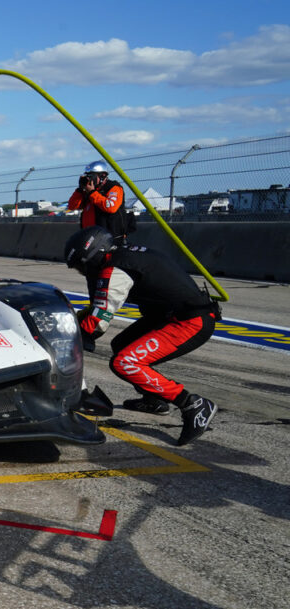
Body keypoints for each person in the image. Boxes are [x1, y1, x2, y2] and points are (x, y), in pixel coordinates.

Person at [63, 225, 220, 445]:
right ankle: (155, 399)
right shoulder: (127, 255)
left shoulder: (115, 268)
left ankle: (192, 403)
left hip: (189, 322)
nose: (82, 271)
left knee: (125, 362)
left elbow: (99, 318)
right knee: (122, 344)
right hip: (174, 315)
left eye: (81, 265)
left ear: (94, 255)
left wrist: (73, 337)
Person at [67, 160, 135, 244]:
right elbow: (72, 206)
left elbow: (111, 207)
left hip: (110, 238)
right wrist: (80, 190)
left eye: (92, 176)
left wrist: (92, 193)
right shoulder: (88, 191)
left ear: (103, 176)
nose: (89, 179)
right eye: (87, 176)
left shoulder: (113, 188)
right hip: (91, 238)